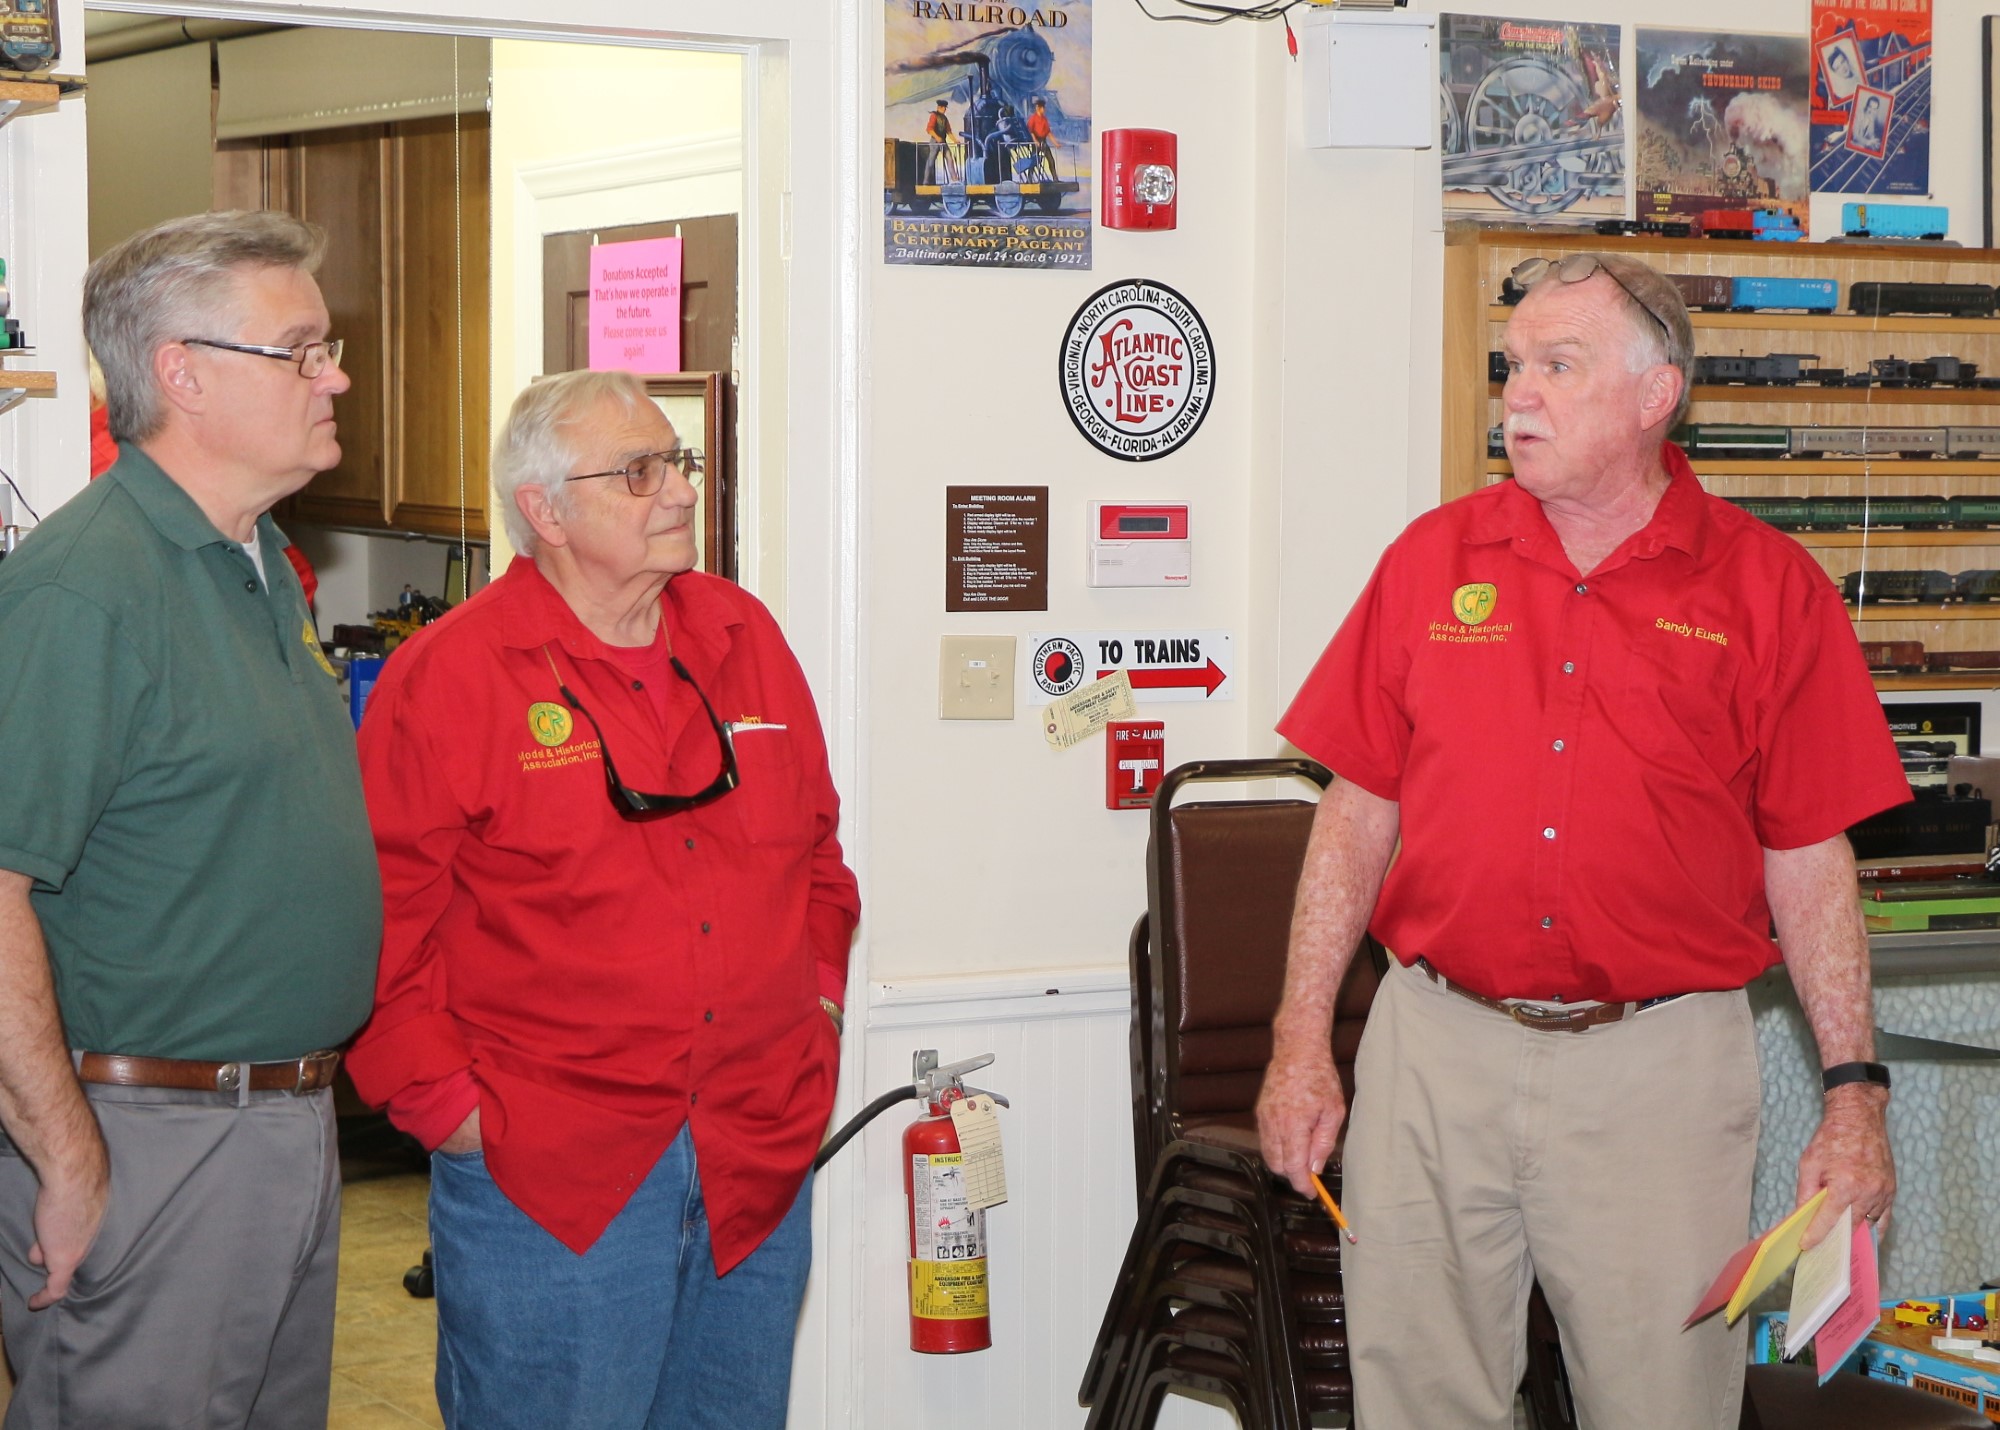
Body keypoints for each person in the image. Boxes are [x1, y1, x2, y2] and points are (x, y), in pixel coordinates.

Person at [1257, 252, 1906, 1430]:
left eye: (1557, 365)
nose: (1518, 393)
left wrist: (1851, 1094)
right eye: (1512, 365)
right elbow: (1354, 812)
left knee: (1660, 1404)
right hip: (1432, 1051)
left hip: (1655, 1072)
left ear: (1656, 394)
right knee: (1414, 1401)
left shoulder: (1770, 590)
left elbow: (1809, 858)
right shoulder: (1428, 561)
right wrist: (1301, 1035)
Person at [345, 369, 860, 1430]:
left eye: (678, 461)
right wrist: (449, 1110)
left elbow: (818, 856)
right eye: (639, 471)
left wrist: (818, 1005)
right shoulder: (451, 676)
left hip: (754, 1155)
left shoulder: (743, 636)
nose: (680, 490)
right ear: (545, 510)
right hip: (552, 1172)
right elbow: (378, 923)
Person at [0, 209, 381, 1427]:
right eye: (301, 349)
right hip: (151, 1135)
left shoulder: (257, 561)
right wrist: (67, 1153)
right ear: (182, 373)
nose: (334, 375)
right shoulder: (85, 588)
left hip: (282, 1120)